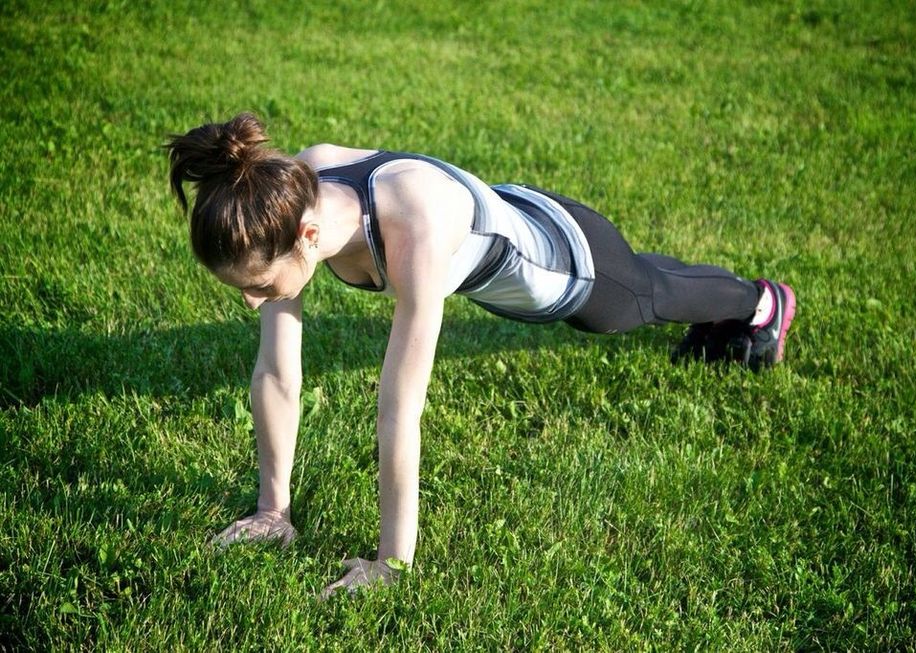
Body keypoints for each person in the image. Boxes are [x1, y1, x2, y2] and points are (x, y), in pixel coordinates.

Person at [165, 113, 796, 598]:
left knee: (647, 295)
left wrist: (391, 563)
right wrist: (272, 511)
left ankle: (762, 302)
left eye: (260, 285)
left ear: (308, 237)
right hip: (509, 212)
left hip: (567, 263)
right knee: (651, 279)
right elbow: (278, 373)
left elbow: (400, 413)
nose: (252, 301)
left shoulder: (412, 227)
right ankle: (734, 303)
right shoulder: (286, 195)